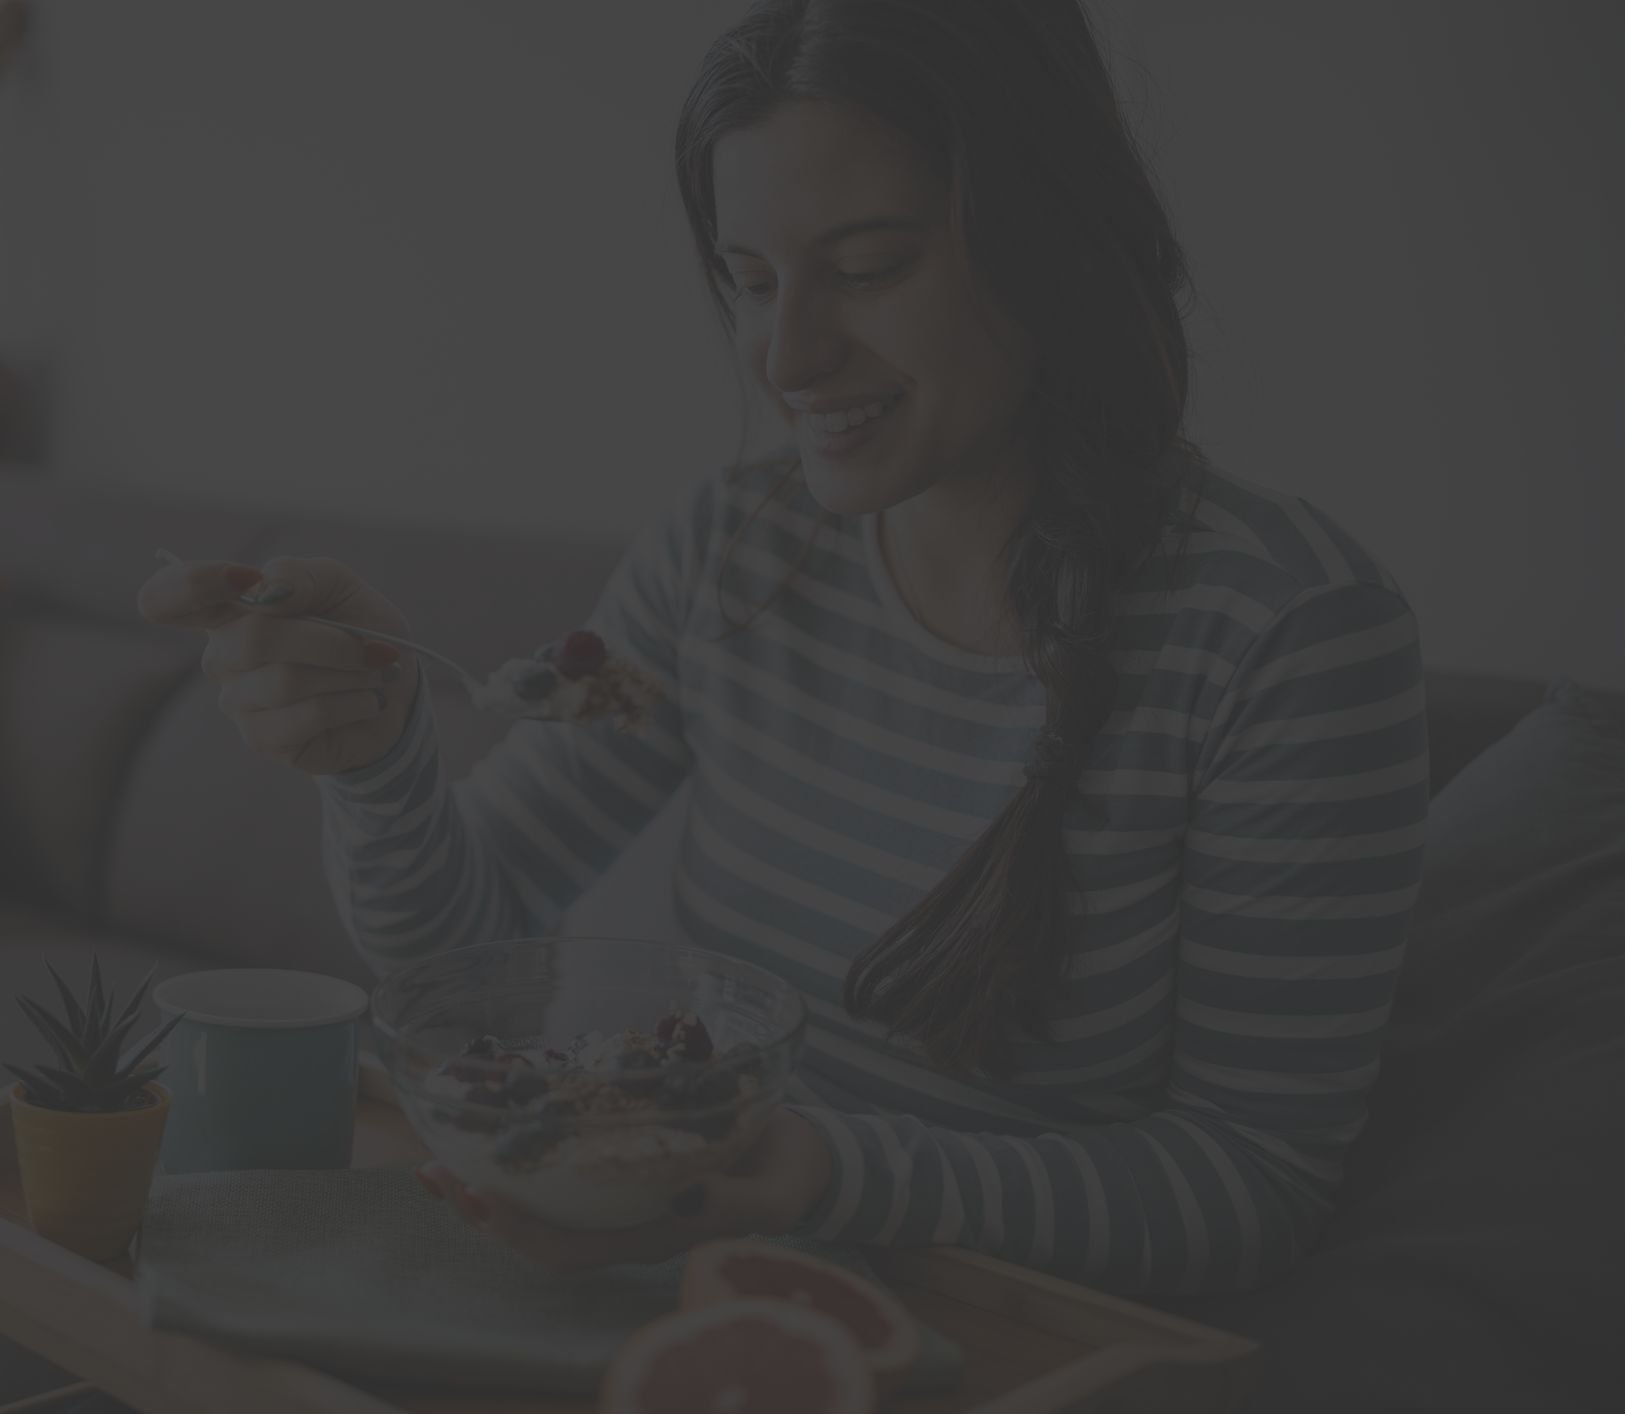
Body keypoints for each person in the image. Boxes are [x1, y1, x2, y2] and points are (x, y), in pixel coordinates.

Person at [138, 0, 1427, 1296]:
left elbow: (1256, 1181)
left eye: (866, 266)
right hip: (683, 1275)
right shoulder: (731, 550)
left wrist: (832, 1170)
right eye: (750, 282)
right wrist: (375, 759)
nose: (788, 355)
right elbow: (460, 948)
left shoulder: (1285, 635)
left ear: (1051, 243)